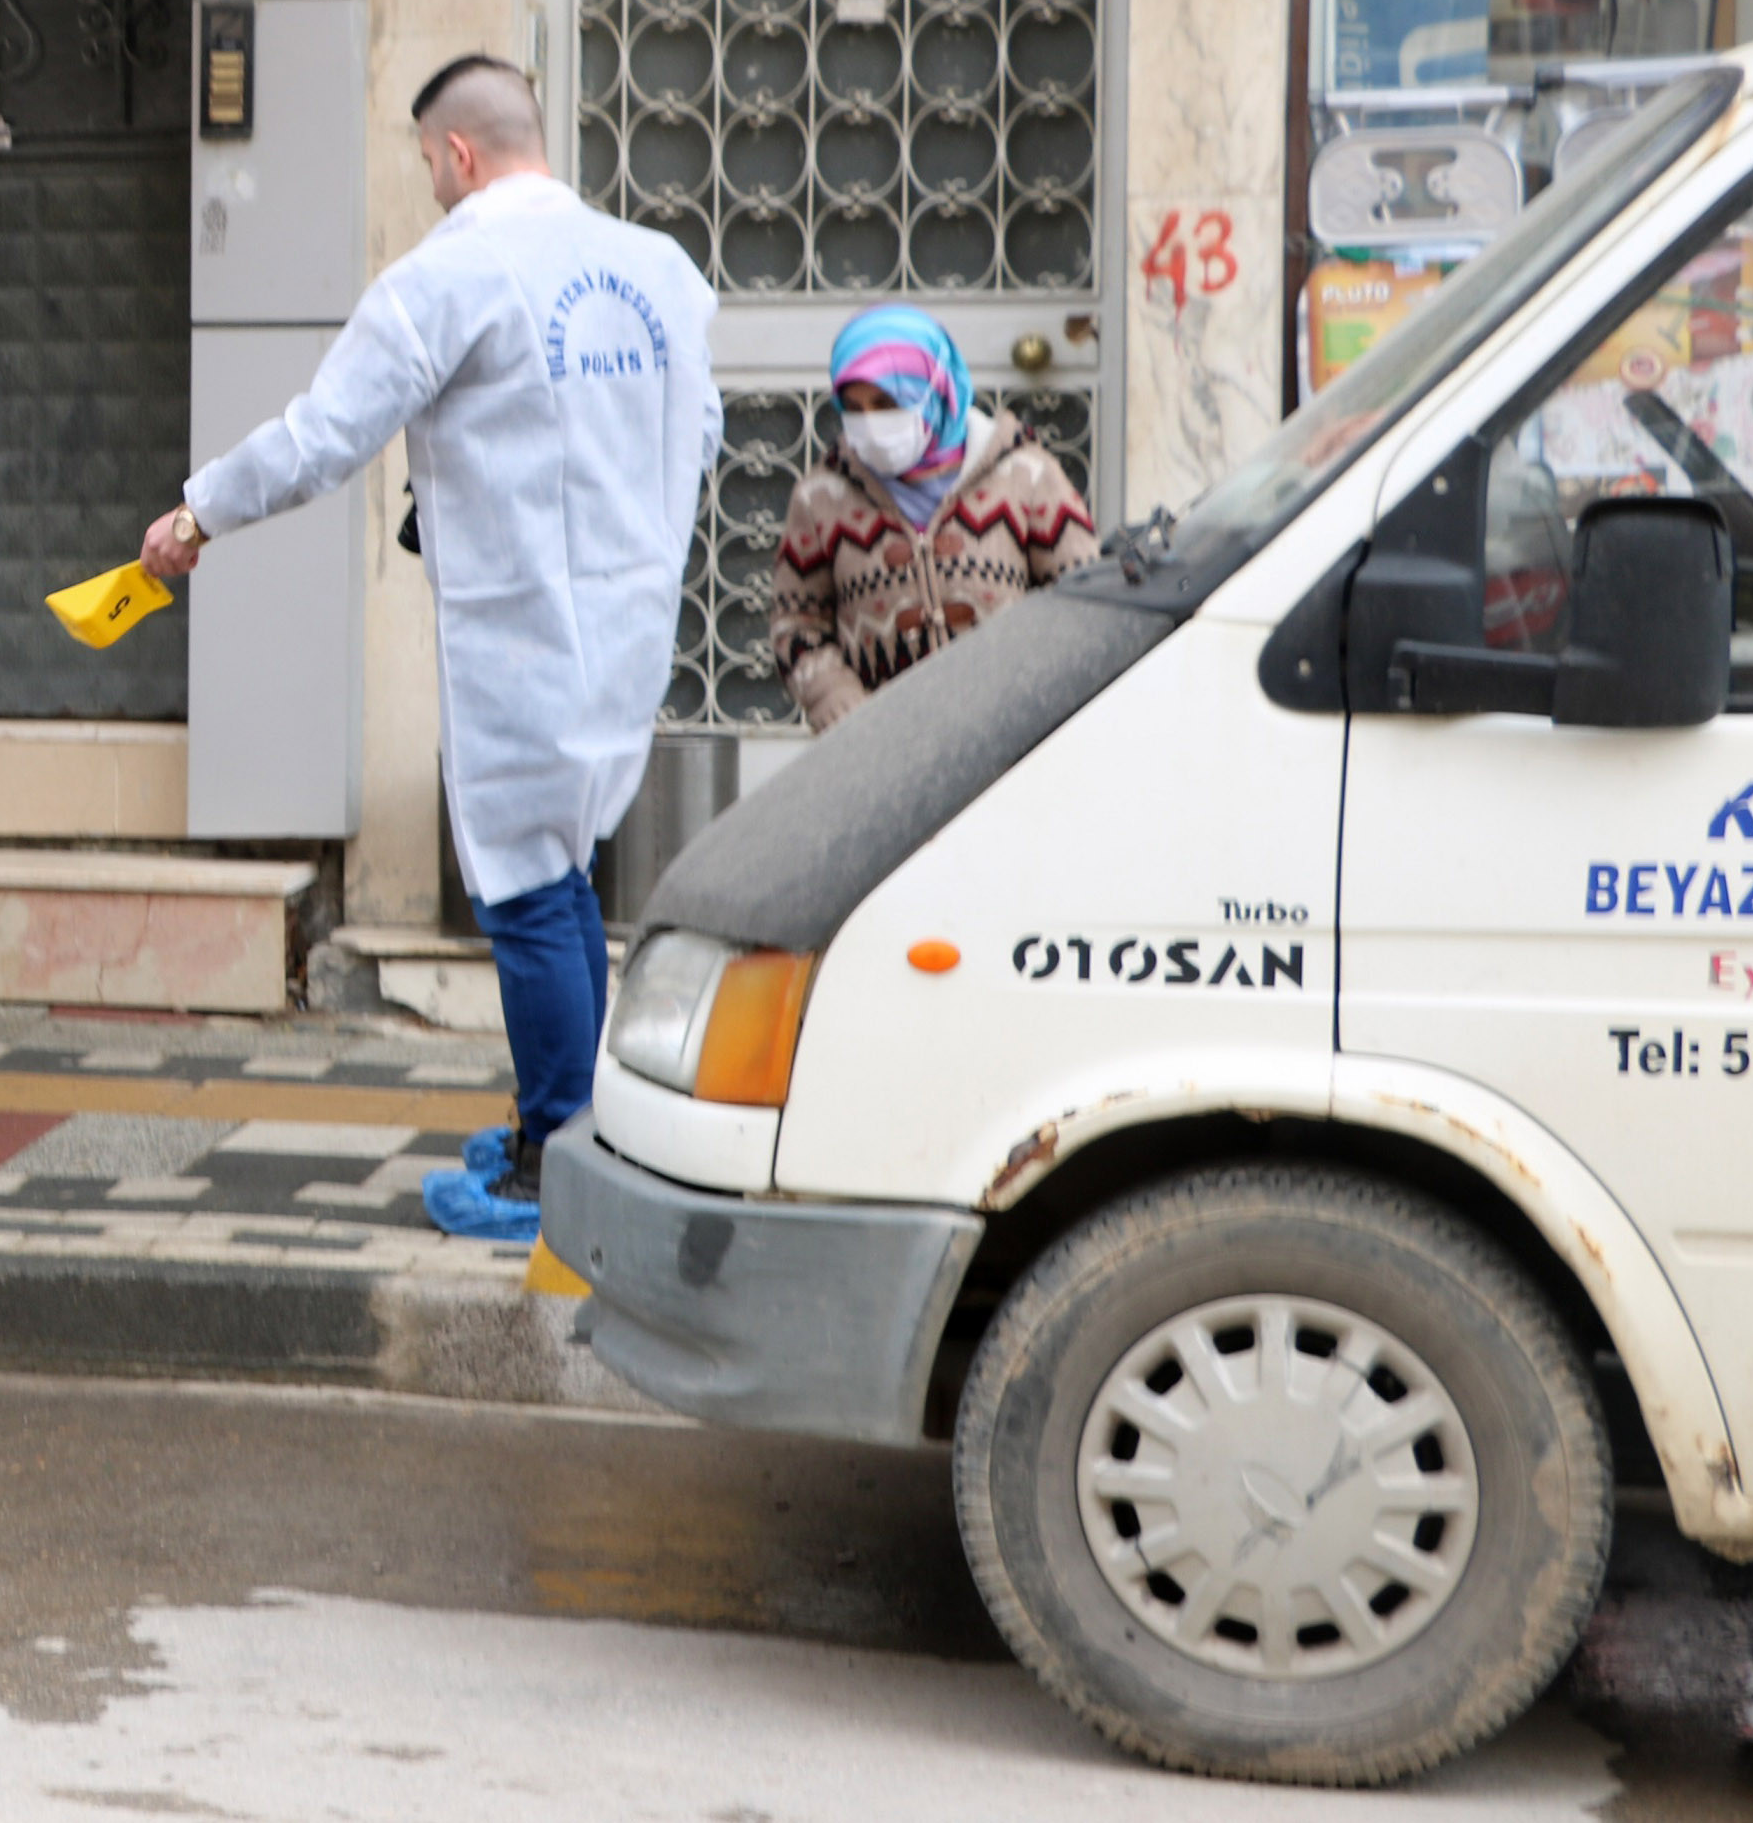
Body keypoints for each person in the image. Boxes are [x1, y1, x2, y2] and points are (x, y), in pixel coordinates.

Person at [142, 58, 719, 1201]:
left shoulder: (450, 274)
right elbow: (695, 433)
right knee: (568, 875)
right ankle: (573, 1131)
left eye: (426, 166)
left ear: (458, 152)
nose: (432, 189)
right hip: (632, 619)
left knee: (525, 890)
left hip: (521, 629)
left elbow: (322, 436)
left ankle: (559, 1158)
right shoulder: (662, 271)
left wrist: (200, 509)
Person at [769, 305, 1098, 734]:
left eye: (887, 403)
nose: (869, 423)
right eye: (854, 408)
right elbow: (796, 624)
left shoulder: (1027, 476)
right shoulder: (821, 497)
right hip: (877, 746)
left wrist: (1034, 690)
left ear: (936, 390)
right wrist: (837, 701)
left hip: (1013, 736)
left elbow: (1082, 598)